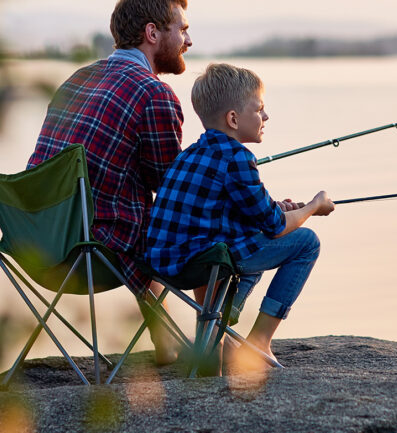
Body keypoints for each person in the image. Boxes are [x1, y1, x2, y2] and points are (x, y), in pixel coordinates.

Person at [26, 0, 192, 364]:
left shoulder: (77, 78)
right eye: (182, 29)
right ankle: (213, 345)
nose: (188, 40)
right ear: (152, 33)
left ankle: (166, 341)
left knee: (125, 211)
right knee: (189, 216)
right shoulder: (154, 94)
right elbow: (170, 192)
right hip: (89, 254)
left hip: (35, 243)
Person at [145, 63, 335, 370]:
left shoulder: (189, 154)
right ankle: (258, 341)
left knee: (249, 240)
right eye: (259, 109)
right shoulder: (238, 158)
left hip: (164, 266)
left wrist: (278, 207)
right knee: (306, 242)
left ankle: (216, 335)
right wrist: (313, 206)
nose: (266, 116)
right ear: (233, 118)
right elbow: (274, 226)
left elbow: (230, 208)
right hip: (204, 264)